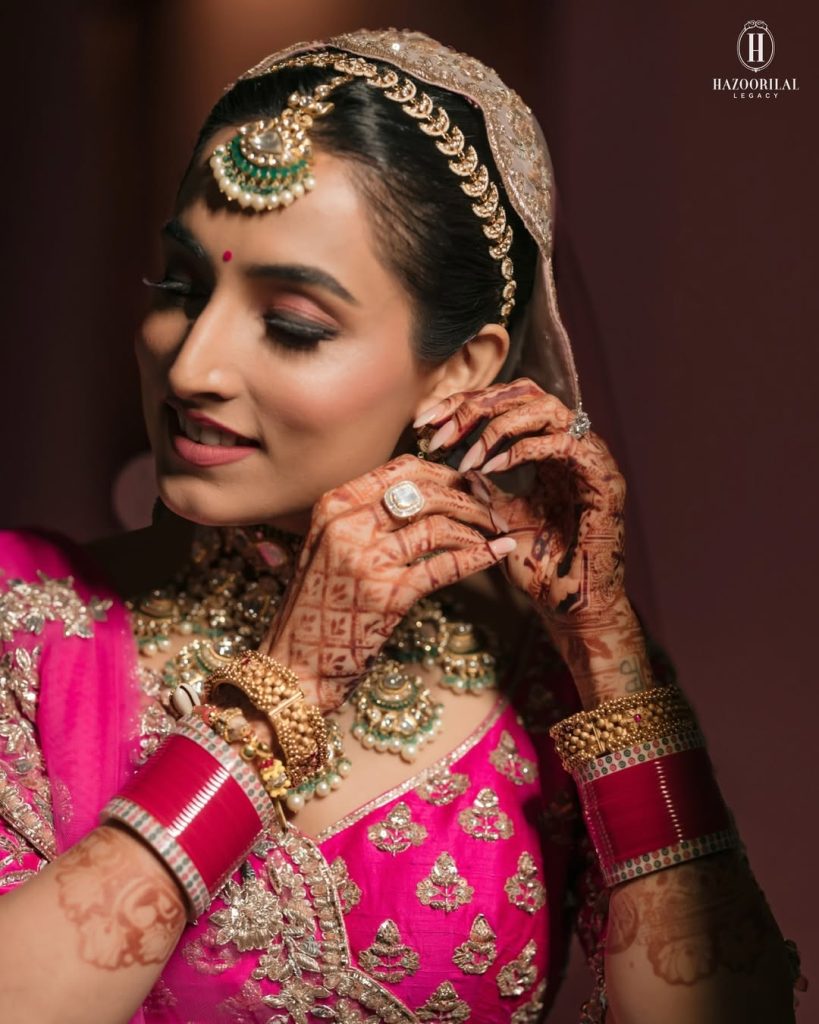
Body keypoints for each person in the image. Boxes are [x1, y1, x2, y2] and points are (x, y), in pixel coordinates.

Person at [0, 27, 803, 1024]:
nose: (192, 364)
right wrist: (288, 687)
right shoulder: (31, 632)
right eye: (179, 287)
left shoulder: (557, 689)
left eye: (291, 323)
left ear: (462, 369)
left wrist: (610, 654)